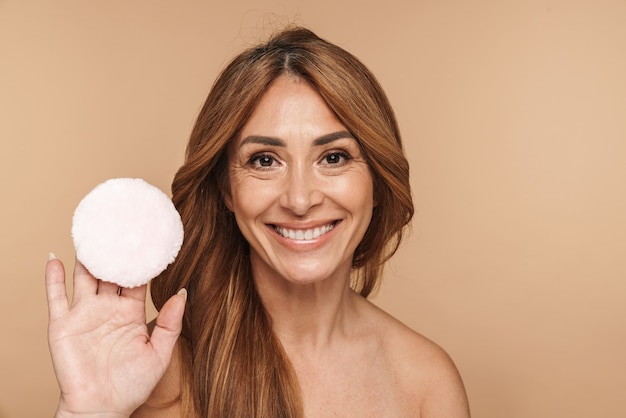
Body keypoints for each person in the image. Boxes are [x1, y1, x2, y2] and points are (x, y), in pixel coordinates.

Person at [45, 26, 470, 417]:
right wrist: (87, 412)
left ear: (376, 182)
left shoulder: (426, 383)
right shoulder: (152, 374)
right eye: (264, 161)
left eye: (334, 157)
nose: (300, 200)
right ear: (227, 189)